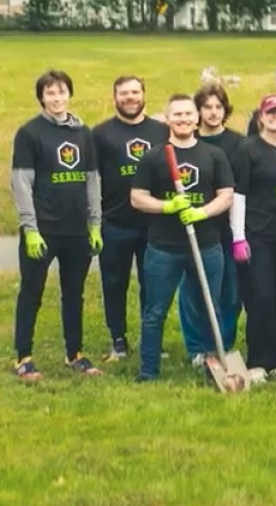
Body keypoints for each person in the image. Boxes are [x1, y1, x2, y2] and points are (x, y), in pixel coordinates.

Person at [130, 95, 234, 382]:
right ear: (168, 118)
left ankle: (214, 368)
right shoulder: (153, 157)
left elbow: (226, 195)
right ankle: (148, 371)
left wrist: (201, 212)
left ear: (197, 117)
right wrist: (167, 206)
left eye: (188, 114)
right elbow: (137, 198)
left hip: (207, 245)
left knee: (209, 308)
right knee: (155, 311)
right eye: (177, 115)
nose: (184, 119)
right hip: (163, 249)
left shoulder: (213, 155)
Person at [12, 70, 104, 380]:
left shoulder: (83, 133)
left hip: (76, 230)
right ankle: (23, 357)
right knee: (31, 293)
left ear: (70, 94)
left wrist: (95, 224)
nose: (56, 98)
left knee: (73, 293)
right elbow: (22, 183)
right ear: (41, 97)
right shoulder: (30, 133)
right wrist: (31, 229)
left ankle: (74, 354)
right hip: (43, 230)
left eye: (61, 91)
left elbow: (92, 180)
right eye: (50, 92)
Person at [93, 75, 169, 361]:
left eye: (135, 92)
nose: (130, 98)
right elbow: (93, 178)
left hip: (154, 224)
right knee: (114, 283)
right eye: (124, 93)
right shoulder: (100, 134)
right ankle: (118, 340)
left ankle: (152, 340)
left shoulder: (161, 131)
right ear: (115, 97)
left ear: (144, 95)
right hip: (115, 222)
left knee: (153, 285)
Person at [231, 94, 276, 383]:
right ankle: (257, 360)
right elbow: (238, 195)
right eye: (270, 113)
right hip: (257, 235)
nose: (275, 117)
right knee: (262, 298)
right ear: (261, 116)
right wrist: (238, 237)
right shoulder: (248, 150)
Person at [187, 83, 243, 357]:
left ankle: (223, 344)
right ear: (198, 111)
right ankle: (197, 348)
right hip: (194, 228)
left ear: (225, 110)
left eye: (218, 107)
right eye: (206, 107)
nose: (212, 112)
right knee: (194, 292)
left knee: (230, 293)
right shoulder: (187, 141)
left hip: (228, 228)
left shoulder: (238, 143)